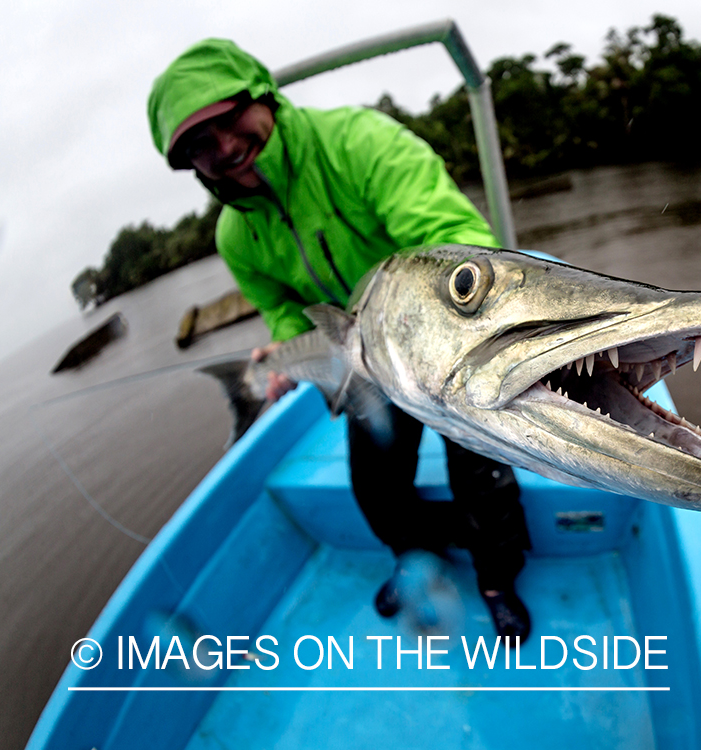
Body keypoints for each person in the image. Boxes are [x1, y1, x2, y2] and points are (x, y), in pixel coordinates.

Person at [148, 39, 532, 640]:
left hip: (440, 348)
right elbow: (279, 306)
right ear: (189, 165)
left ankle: (496, 578)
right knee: (375, 487)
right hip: (356, 368)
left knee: (482, 468)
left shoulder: (360, 142)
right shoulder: (233, 237)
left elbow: (455, 238)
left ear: (263, 97)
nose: (223, 146)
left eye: (227, 119)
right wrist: (282, 353)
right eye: (199, 144)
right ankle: (416, 557)